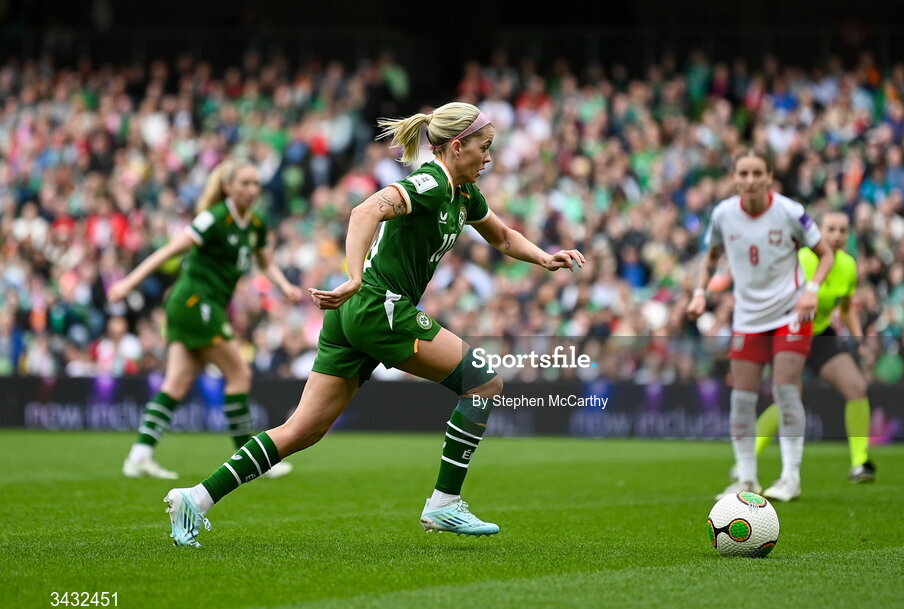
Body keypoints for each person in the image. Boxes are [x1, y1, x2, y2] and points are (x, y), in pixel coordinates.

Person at [162, 102, 585, 546]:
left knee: (302, 430)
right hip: (379, 306)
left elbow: (501, 237)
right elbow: (364, 211)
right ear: (457, 146)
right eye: (484, 147)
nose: (489, 158)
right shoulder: (431, 183)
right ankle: (444, 502)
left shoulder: (464, 193)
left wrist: (544, 257)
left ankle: (197, 498)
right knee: (483, 383)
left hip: (356, 315)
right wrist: (354, 275)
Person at [108, 160, 304, 480]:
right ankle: (251, 459)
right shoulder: (213, 219)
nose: (252, 190)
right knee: (239, 373)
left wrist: (284, 286)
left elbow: (265, 262)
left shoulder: (255, 224)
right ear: (227, 187)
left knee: (177, 382)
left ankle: (138, 456)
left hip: (203, 305)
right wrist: (129, 283)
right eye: (245, 183)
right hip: (193, 301)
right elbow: (169, 251)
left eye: (256, 184)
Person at [688, 148, 833, 502]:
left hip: (790, 312)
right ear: (734, 178)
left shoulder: (790, 212)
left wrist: (812, 289)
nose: (750, 180)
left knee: (785, 389)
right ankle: (748, 479)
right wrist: (698, 293)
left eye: (757, 173)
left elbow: (825, 253)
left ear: (770, 176)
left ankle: (790, 477)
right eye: (743, 174)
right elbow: (710, 258)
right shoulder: (723, 215)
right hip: (749, 316)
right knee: (741, 397)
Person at [751, 212, 876, 483]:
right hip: (792, 332)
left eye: (843, 230)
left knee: (856, 387)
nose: (837, 236)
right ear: (819, 231)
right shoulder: (802, 260)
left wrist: (859, 340)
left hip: (820, 335)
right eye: (831, 229)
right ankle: (747, 460)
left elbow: (845, 307)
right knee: (788, 398)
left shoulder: (848, 266)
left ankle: (860, 463)